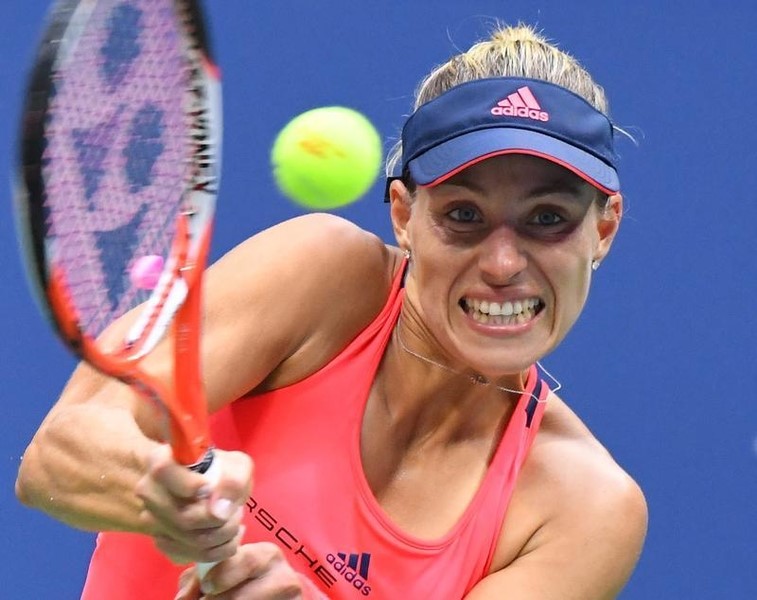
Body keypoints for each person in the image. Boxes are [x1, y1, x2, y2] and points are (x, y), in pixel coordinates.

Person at [16, 23, 647, 599]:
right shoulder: (325, 278)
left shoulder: (582, 508)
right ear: (404, 215)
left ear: (604, 229)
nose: (504, 264)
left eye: (548, 220)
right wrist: (158, 490)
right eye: (462, 215)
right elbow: (57, 455)